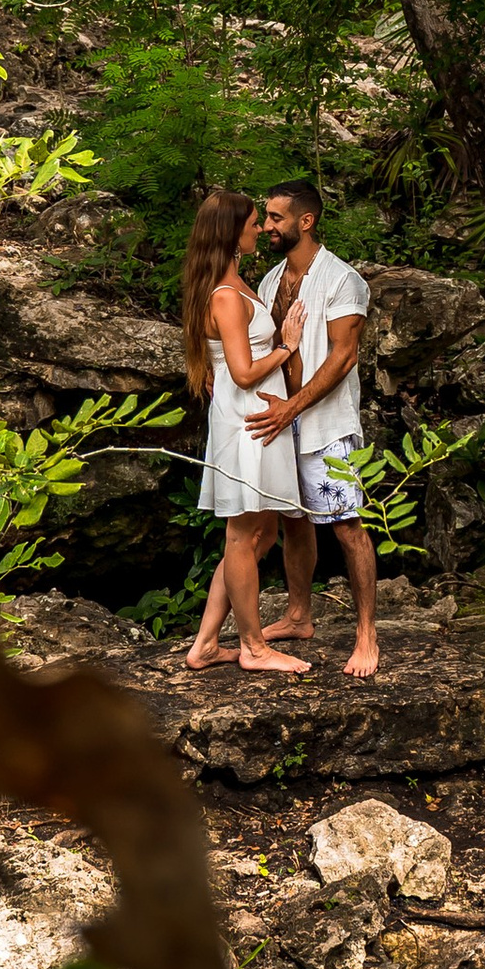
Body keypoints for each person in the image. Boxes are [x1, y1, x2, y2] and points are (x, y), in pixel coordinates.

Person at [249, 177, 379, 680]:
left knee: (346, 525)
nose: (266, 226)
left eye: (276, 218)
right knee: (294, 523)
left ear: (306, 221)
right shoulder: (269, 281)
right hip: (281, 420)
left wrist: (294, 407)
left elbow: (344, 356)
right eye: (265, 217)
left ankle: (367, 633)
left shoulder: (343, 280)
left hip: (326, 424)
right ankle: (299, 616)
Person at [177, 185, 310, 676]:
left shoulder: (237, 285)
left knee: (261, 531)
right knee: (242, 533)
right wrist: (287, 345)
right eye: (254, 221)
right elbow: (243, 372)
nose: (261, 228)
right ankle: (253, 647)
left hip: (254, 418)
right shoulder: (227, 296)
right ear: (233, 231)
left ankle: (206, 644)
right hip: (247, 420)